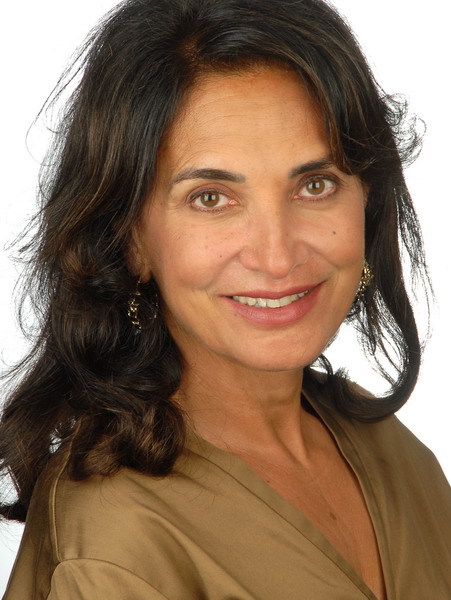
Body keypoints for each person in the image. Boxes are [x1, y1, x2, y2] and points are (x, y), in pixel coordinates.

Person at [1, 0, 450, 598]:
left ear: (367, 203)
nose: (277, 256)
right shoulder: (117, 543)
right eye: (211, 198)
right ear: (130, 240)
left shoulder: (392, 452)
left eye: (316, 185)